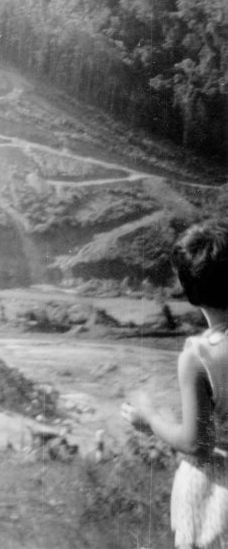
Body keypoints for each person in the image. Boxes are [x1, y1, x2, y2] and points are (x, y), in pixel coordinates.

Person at [121, 219, 228, 549]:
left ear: (189, 290)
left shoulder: (199, 355)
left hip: (217, 493)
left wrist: (150, 419)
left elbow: (198, 444)